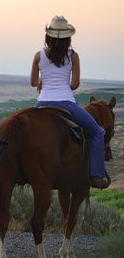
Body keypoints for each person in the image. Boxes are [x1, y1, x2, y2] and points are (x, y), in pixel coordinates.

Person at [31, 15, 109, 189]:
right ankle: (96, 175)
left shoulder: (38, 56)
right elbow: (74, 85)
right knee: (97, 132)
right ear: (68, 38)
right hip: (66, 103)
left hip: (41, 105)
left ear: (48, 36)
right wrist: (61, 84)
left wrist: (44, 82)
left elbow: (32, 82)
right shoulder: (73, 56)